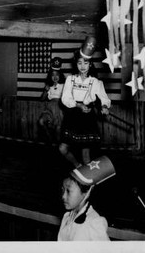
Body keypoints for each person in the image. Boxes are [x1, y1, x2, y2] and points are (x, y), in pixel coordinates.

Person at [60, 37, 110, 167]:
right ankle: (77, 166)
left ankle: (88, 183)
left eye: (86, 63)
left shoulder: (96, 82)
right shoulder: (70, 79)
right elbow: (65, 98)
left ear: (91, 64)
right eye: (79, 63)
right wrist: (78, 105)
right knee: (62, 149)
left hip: (87, 118)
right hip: (72, 116)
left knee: (86, 156)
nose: (82, 66)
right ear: (76, 64)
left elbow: (105, 99)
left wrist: (104, 107)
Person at [58, 156, 115, 241]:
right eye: (63, 190)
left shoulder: (94, 223)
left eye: (68, 191)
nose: (63, 196)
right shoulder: (67, 217)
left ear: (85, 193)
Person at [38, 57, 65, 143]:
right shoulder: (49, 86)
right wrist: (45, 91)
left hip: (59, 108)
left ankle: (57, 146)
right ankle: (49, 138)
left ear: (60, 75)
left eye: (57, 74)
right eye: (53, 75)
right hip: (49, 108)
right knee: (41, 121)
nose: (55, 77)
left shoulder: (63, 85)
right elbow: (42, 99)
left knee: (58, 128)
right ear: (50, 76)